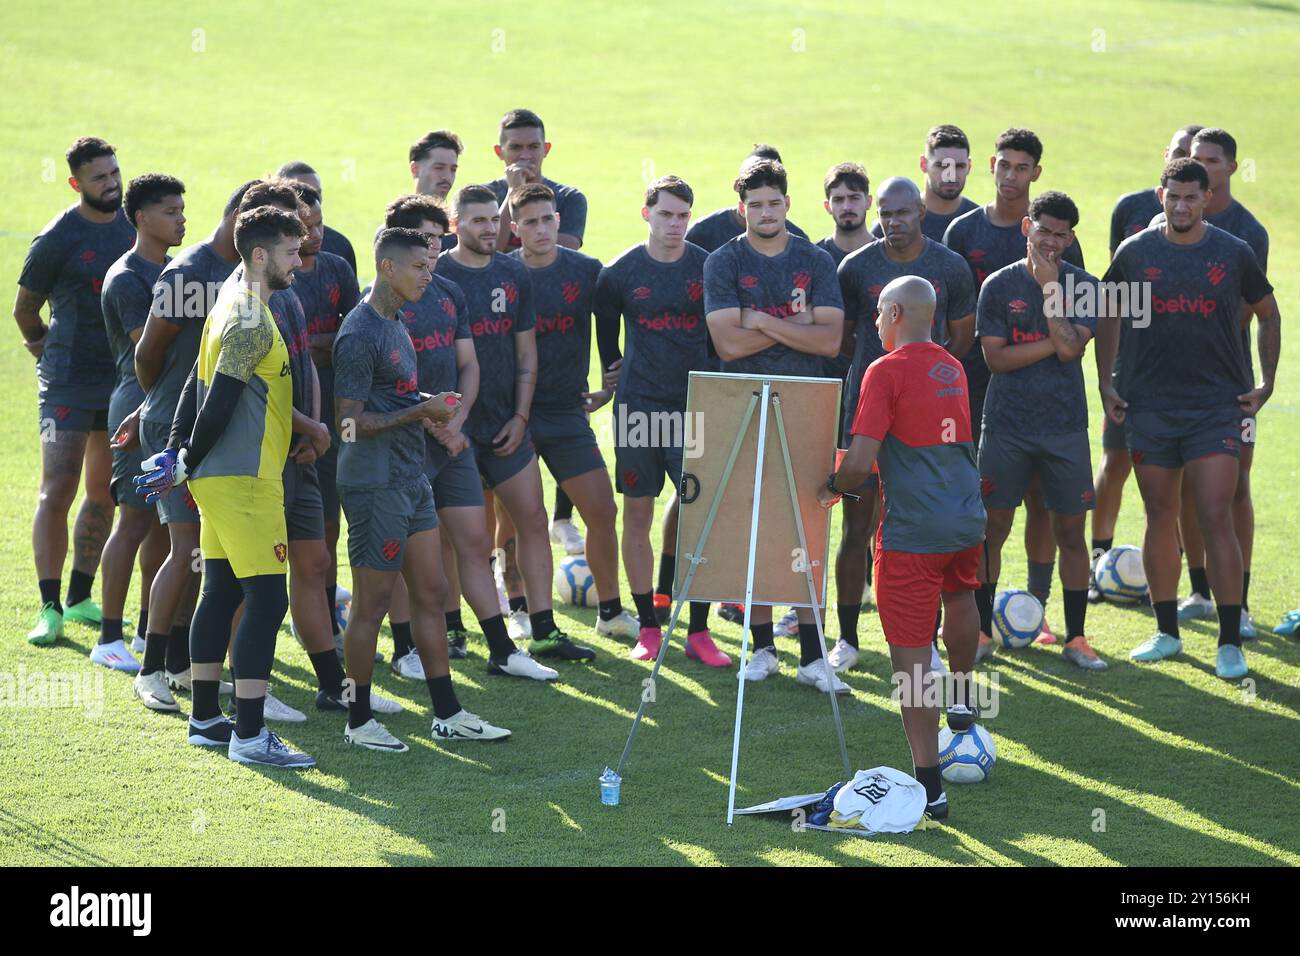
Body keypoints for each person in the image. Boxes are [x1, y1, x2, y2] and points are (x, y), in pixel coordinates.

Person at [137, 205, 315, 767]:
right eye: (291, 252)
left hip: (227, 479)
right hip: (244, 483)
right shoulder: (248, 318)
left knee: (221, 591)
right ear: (260, 254)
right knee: (267, 599)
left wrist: (175, 449)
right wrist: (185, 454)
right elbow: (220, 398)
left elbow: (194, 379)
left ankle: (207, 719)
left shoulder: (231, 305)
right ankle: (250, 735)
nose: (300, 261)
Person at [1097, 157, 1279, 680]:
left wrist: (1265, 383)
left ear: (1206, 199)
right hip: (1150, 407)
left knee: (1214, 512)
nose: (1181, 206)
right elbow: (1108, 311)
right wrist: (1107, 382)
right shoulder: (1135, 253)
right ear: (1161, 195)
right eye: (1173, 196)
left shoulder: (1232, 251)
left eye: (1191, 198)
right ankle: (1167, 633)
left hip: (1214, 407)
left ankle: (1228, 640)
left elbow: (1269, 312)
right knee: (1159, 514)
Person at [333, 226, 511, 749]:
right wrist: (420, 410)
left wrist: (430, 404)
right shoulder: (359, 332)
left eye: (431, 267)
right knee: (372, 604)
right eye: (419, 267)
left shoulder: (397, 322)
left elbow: (392, 398)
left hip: (411, 480)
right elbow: (346, 425)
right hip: (374, 485)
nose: (428, 276)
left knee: (431, 596)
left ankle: (447, 713)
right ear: (387, 267)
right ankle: (358, 719)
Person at [820, 275, 986, 823]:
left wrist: (833, 484)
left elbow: (862, 462)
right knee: (961, 597)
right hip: (965, 517)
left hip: (913, 530)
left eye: (876, 313)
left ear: (893, 312)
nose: (873, 323)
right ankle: (962, 708)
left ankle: (930, 787)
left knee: (910, 657)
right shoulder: (953, 366)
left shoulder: (882, 370)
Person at [380, 194, 557, 681]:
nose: (436, 251)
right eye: (427, 241)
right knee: (402, 550)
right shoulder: (380, 305)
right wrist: (436, 423)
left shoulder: (448, 293)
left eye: (438, 241)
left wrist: (456, 422)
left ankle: (502, 650)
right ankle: (403, 648)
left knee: (474, 543)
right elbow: (385, 385)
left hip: (452, 439)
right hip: (404, 445)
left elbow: (468, 365)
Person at [703, 158, 846, 693]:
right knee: (755, 524)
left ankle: (813, 655)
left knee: (808, 526)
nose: (765, 212)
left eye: (774, 202)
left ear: (788, 203)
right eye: (754, 204)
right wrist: (792, 324)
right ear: (742, 208)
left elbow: (831, 341)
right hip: (741, 404)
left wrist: (757, 318)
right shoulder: (722, 261)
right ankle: (761, 646)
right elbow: (727, 343)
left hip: (806, 403)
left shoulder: (814, 259)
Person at [436, 184, 595, 661]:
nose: (489, 228)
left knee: (532, 519)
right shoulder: (438, 276)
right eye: (478, 220)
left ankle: (543, 629)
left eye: (494, 219)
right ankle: (451, 627)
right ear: (455, 224)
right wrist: (448, 423)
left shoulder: (513, 274)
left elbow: (527, 352)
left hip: (507, 427)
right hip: (455, 433)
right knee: (459, 535)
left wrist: (522, 416)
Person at [943, 127, 1085, 653]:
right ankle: (977, 622)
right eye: (1004, 165)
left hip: (1057, 412)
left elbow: (1075, 338)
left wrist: (1057, 324)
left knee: (1047, 512)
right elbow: (992, 349)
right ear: (992, 166)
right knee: (988, 518)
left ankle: (1041, 613)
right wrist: (1059, 340)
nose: (1011, 175)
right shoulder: (969, 241)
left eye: (1022, 166)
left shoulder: (1073, 270)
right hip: (985, 402)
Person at [832, 177, 975, 671]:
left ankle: (922, 648)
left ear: (920, 210)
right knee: (857, 529)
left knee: (916, 538)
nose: (894, 222)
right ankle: (848, 639)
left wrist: (915, 386)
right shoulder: (855, 267)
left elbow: (962, 336)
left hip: (918, 425)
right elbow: (844, 339)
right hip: (866, 411)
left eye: (903, 213)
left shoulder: (949, 267)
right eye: (886, 214)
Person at [594, 175, 729, 666]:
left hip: (692, 408)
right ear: (646, 213)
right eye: (666, 214)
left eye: (683, 215)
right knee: (638, 513)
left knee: (701, 516)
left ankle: (698, 629)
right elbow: (608, 345)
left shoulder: (708, 267)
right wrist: (612, 383)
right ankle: (648, 626)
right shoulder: (619, 274)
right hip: (637, 409)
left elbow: (720, 339)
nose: (675, 224)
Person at [507, 182, 643, 641]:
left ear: (558, 221)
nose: (541, 229)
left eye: (547, 219)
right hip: (515, 416)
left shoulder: (587, 271)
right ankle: (520, 609)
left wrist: (608, 384)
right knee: (518, 520)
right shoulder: (502, 275)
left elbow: (612, 328)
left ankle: (610, 612)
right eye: (530, 222)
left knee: (602, 511)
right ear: (515, 228)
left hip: (568, 414)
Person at [976, 191, 1105, 670]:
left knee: (1071, 530)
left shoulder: (1085, 286)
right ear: (1026, 227)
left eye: (1061, 233)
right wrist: (1056, 341)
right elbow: (997, 359)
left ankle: (1076, 637)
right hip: (1006, 426)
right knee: (993, 528)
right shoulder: (996, 285)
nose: (1051, 241)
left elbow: (1072, 351)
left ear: (1071, 238)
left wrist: (1052, 294)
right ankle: (983, 630)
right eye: (1043, 230)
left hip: (1065, 428)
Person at [133, 182, 252, 697]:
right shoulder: (187, 273)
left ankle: (183, 665)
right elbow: (147, 353)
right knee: (184, 551)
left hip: (215, 429)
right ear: (239, 219)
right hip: (177, 429)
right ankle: (150, 670)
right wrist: (160, 413)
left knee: (209, 555)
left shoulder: (247, 273)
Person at [17, 136, 135, 645]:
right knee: (56, 488)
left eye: (114, 173)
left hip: (119, 381)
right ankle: (49, 606)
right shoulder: (57, 238)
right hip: (66, 381)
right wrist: (47, 352)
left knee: (102, 492)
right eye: (99, 178)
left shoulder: (134, 227)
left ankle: (81, 596)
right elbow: (25, 310)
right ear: (76, 184)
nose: (111, 184)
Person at [1152, 129, 1269, 639]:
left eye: (1209, 161)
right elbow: (1124, 302)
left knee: (1231, 490)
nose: (1199, 165)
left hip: (1227, 387)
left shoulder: (1246, 236)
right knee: (1175, 495)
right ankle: (1196, 592)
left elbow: (1246, 312)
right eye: (1192, 158)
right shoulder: (1156, 230)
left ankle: (1236, 604)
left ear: (1228, 170)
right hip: (1162, 393)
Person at [1091, 124, 1202, 603]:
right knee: (1115, 462)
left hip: (1190, 379)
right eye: (1178, 153)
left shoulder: (1220, 230)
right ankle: (1100, 558)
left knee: (1183, 481)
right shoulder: (1131, 210)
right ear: (1166, 156)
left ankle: (1180, 572)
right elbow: (1118, 289)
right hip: (1133, 367)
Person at [483, 108, 587, 551]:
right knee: (510, 491)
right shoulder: (486, 199)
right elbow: (488, 246)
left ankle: (563, 517)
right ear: (499, 151)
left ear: (547, 149)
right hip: (505, 346)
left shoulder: (569, 196)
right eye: (515, 148)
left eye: (532, 147)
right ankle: (505, 575)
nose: (524, 155)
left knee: (571, 429)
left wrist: (526, 212)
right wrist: (510, 199)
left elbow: (564, 246)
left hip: (562, 335)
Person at [97, 174, 185, 696]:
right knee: (132, 518)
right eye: (170, 211)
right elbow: (146, 348)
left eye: (182, 209)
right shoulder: (128, 276)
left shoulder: (177, 269)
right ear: (142, 218)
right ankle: (109, 636)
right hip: (138, 406)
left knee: (161, 524)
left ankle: (147, 622)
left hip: (168, 405)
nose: (181, 218)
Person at [277, 176, 361, 660]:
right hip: (287, 416)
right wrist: (318, 347)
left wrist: (315, 345)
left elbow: (351, 338)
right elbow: (292, 352)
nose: (316, 233)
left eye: (320, 223)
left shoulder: (335, 268)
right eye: (306, 227)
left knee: (326, 529)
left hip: (330, 417)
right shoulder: (278, 282)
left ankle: (325, 619)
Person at [686, 145, 810, 252]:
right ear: (737, 185)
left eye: (770, 178)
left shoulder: (799, 241)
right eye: (751, 179)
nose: (761, 183)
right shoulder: (702, 233)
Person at [871, 125, 978, 242]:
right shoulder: (892, 224)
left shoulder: (980, 223)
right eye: (942, 166)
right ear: (923, 164)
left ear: (969, 166)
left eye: (959, 166)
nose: (950, 176)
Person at [275, 160, 356, 274]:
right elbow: (253, 286)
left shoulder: (340, 246)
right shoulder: (265, 262)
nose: (313, 198)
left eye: (317, 193)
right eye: (300, 193)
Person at [409, 129, 464, 251]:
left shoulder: (460, 232)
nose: (447, 176)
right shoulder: (396, 228)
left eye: (453, 169)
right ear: (415, 169)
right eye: (439, 168)